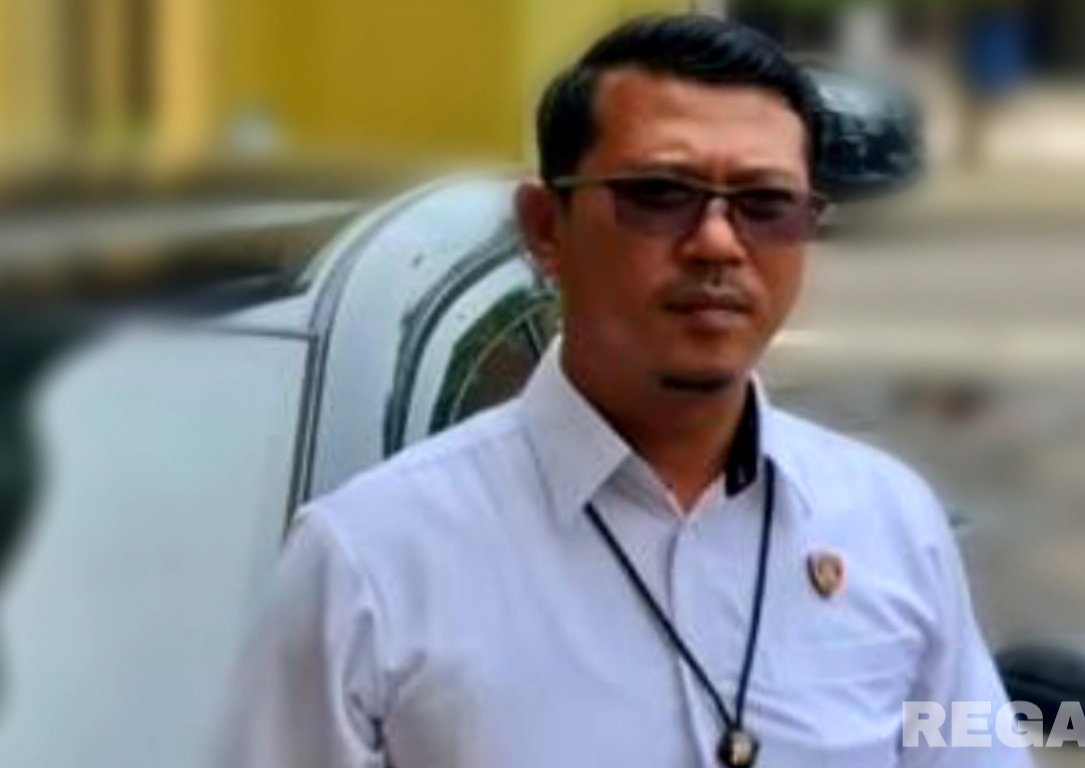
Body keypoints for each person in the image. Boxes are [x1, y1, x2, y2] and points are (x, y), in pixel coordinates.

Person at [215, 14, 1031, 768]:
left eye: (766, 204)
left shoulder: (889, 526)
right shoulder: (369, 563)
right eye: (660, 195)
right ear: (546, 228)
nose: (717, 242)